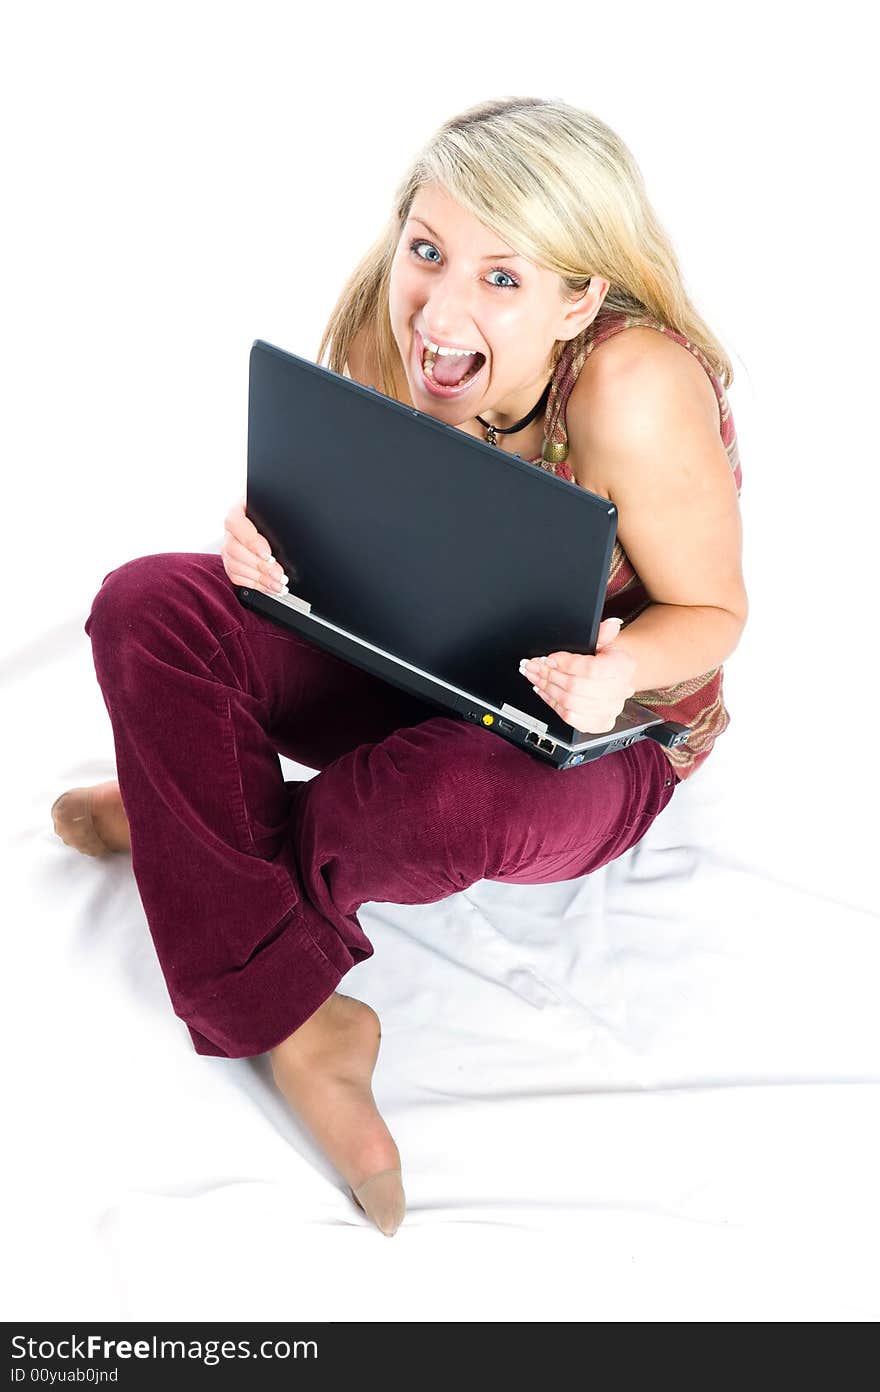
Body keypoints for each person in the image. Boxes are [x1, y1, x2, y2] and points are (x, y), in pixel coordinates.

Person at [51, 96, 748, 1237]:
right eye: (428, 251)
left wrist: (615, 677)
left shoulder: (632, 387)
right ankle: (300, 1007)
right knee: (148, 606)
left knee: (435, 801)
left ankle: (197, 842)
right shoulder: (400, 326)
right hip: (409, 660)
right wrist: (276, 560)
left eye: (503, 277)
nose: (441, 304)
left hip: (592, 740)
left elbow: (713, 614)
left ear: (580, 296)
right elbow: (367, 535)